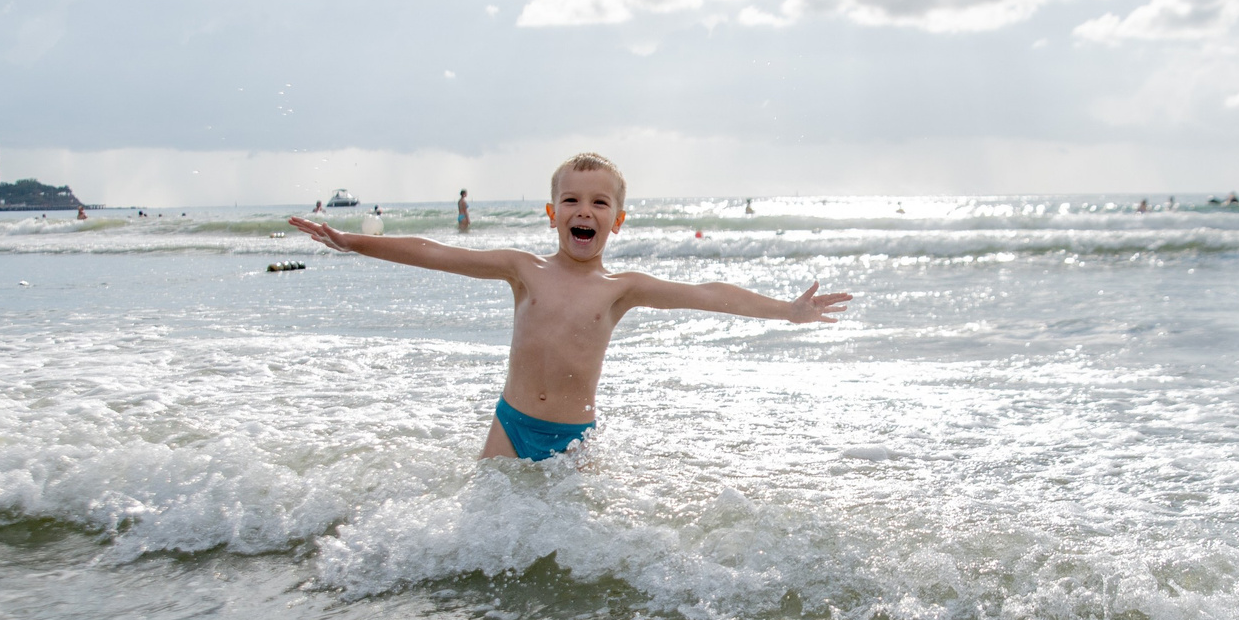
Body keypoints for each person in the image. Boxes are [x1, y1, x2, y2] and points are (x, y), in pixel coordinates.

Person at [290, 151, 850, 462]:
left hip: (573, 439)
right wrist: (353, 242)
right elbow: (436, 252)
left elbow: (708, 294)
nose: (585, 210)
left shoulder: (621, 288)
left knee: (576, 553)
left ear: (617, 220)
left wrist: (787, 311)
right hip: (510, 425)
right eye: (571, 200)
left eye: (600, 202)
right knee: (483, 534)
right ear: (552, 214)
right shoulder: (522, 269)